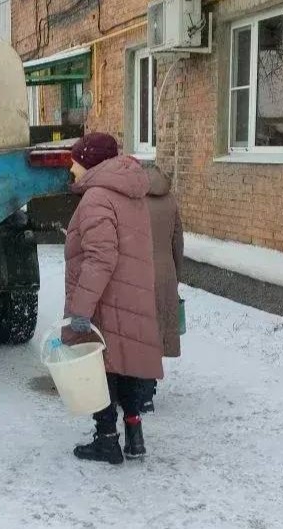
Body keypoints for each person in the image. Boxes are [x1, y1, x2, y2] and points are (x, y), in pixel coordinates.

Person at [63, 133, 162, 464]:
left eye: (75, 160)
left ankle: (107, 440)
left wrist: (81, 309)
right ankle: (134, 434)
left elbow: (100, 257)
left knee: (101, 368)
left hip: (105, 298)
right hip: (130, 293)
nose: (71, 167)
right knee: (127, 364)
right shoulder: (130, 193)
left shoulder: (96, 198)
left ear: (90, 162)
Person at [141, 166, 185, 413]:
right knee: (156, 331)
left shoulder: (133, 200)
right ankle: (149, 390)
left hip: (138, 273)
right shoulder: (170, 200)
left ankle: (136, 390)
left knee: (139, 333)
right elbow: (177, 241)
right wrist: (175, 276)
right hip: (165, 273)